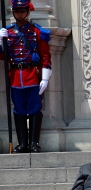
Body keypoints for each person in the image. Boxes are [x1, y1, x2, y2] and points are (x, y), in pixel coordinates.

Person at [0, 0, 52, 153]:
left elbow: (45, 56)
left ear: (28, 12)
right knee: (19, 110)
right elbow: (3, 57)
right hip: (15, 77)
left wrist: (45, 77)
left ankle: (34, 143)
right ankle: (23, 143)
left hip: (33, 76)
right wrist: (0, 43)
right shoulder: (8, 32)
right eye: (17, 11)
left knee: (35, 109)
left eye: (22, 11)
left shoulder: (37, 31)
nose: (19, 14)